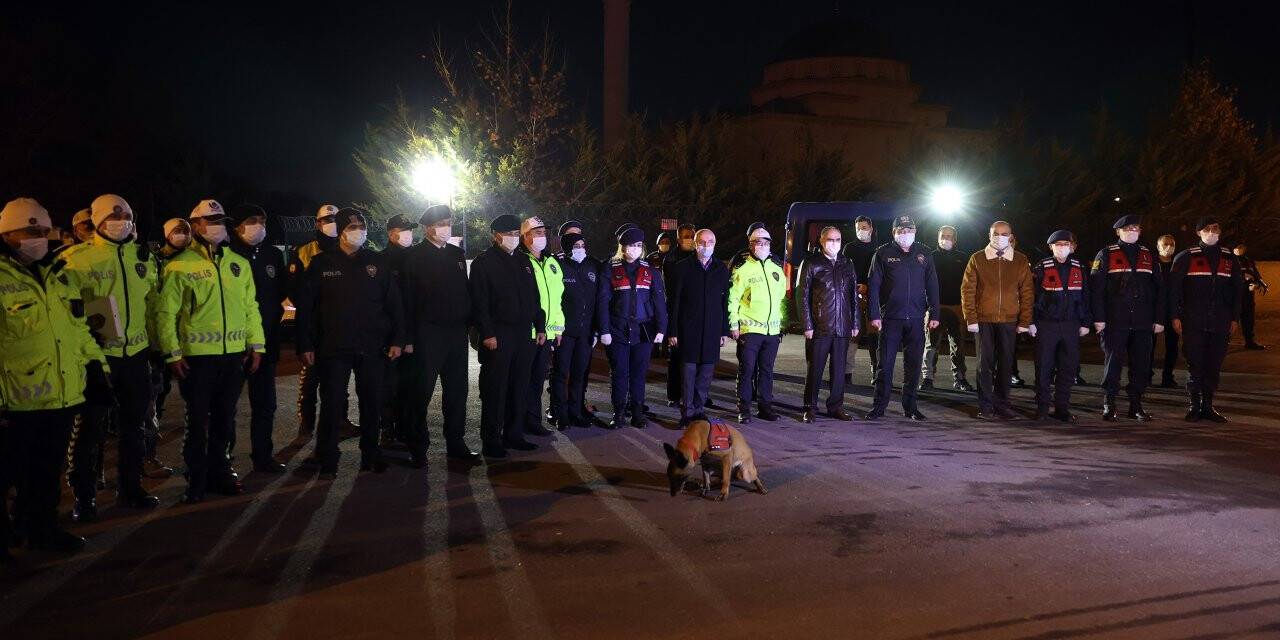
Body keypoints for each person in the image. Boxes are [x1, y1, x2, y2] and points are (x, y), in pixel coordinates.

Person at [0, 197, 110, 555]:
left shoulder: (61, 274)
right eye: (29, 230)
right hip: (15, 400)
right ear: (6, 234)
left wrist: (97, 368)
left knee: (47, 474)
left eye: (43, 231)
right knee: (8, 475)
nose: (38, 237)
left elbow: (82, 328)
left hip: (61, 394)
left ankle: (42, 531)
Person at [155, 199, 265, 503]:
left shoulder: (238, 264)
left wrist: (256, 344)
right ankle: (197, 480)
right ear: (196, 226)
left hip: (233, 356)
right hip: (197, 358)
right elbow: (165, 314)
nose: (217, 225)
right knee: (197, 421)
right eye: (211, 220)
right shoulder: (179, 265)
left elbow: (250, 307)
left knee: (224, 419)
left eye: (221, 220)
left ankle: (221, 472)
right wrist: (172, 353)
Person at [62, 194, 162, 521]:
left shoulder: (145, 258)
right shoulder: (77, 259)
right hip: (98, 358)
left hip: (135, 356)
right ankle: (84, 497)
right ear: (98, 221)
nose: (121, 220)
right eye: (113, 215)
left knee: (134, 428)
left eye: (127, 214)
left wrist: (157, 350)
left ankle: (130, 488)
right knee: (90, 430)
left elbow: (153, 308)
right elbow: (69, 314)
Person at [295, 208, 404, 476]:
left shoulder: (376, 263)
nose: (359, 230)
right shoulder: (322, 264)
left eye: (362, 225)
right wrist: (305, 344)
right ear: (341, 231)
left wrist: (397, 339)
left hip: (372, 346)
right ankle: (328, 458)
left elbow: (394, 305)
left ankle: (371, 455)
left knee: (371, 404)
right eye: (352, 226)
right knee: (332, 405)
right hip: (334, 347)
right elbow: (306, 309)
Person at [399, 205, 478, 466]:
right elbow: (407, 301)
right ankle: (417, 447)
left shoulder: (456, 255)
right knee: (420, 393)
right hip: (426, 334)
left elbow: (465, 293)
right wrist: (407, 338)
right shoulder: (414, 258)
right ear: (428, 227)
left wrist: (469, 323)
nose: (446, 227)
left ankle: (456, 443)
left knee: (457, 392)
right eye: (441, 223)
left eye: (449, 222)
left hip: (456, 334)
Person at [471, 214, 544, 457]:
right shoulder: (484, 262)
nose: (513, 238)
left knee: (519, 385)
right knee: (496, 388)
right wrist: (487, 333)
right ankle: (491, 439)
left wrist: (540, 325)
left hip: (523, 333)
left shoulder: (523, 262)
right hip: (498, 334)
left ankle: (514, 435)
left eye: (516, 233)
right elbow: (479, 302)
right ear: (496, 235)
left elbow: (534, 298)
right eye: (509, 234)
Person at [229, 204, 287, 472]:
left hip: (266, 342)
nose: (259, 226)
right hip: (233, 343)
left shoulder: (273, 255)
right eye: (252, 220)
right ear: (238, 225)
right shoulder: (226, 253)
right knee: (226, 406)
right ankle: (223, 459)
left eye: (262, 221)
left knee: (265, 405)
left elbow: (282, 293)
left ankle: (263, 456)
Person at [865, 215, 940, 420]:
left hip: (916, 318)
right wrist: (874, 314)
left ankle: (911, 407)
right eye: (901, 230)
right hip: (890, 318)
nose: (905, 234)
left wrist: (935, 312)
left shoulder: (924, 253)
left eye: (909, 230)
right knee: (885, 365)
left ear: (915, 231)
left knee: (914, 365)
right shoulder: (882, 253)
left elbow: (932, 284)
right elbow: (873, 286)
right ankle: (879, 407)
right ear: (894, 233)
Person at [1090, 214, 1164, 421]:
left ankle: (1136, 405)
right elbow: (1096, 290)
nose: (1132, 231)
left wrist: (1159, 319)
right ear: (1118, 231)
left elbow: (1159, 290)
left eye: (1136, 228)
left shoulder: (1149, 255)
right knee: (1113, 363)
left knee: (1141, 365)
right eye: (1128, 228)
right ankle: (1109, 403)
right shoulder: (1106, 254)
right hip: (1115, 319)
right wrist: (1099, 318)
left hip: (1142, 320)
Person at [1168, 218, 1242, 422]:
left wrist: (1235, 317)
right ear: (1198, 232)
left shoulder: (1229, 258)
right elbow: (1174, 291)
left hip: (1220, 320)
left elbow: (1238, 290)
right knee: (1195, 363)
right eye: (1207, 229)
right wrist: (1174, 316)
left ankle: (1208, 405)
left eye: (1215, 229)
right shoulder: (1185, 257)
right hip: (1193, 320)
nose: (1212, 233)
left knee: (1213, 364)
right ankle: (1194, 405)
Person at [961, 221, 1034, 420]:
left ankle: (1002, 404)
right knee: (984, 364)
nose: (1000, 236)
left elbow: (1027, 292)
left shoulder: (1020, 260)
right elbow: (967, 291)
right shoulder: (977, 258)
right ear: (989, 234)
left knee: (1006, 364)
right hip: (984, 320)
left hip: (1009, 320)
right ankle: (985, 406)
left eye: (1004, 234)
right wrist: (971, 318)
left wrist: (1025, 320)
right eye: (996, 233)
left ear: (1011, 236)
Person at [598, 226, 667, 428]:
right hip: (617, 330)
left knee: (639, 374)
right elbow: (602, 302)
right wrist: (604, 330)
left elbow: (659, 302)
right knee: (620, 373)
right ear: (622, 246)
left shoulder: (650, 271)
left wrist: (662, 329)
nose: (635, 249)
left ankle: (637, 412)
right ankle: (618, 413)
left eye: (638, 245)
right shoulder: (609, 268)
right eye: (631, 245)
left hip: (644, 331)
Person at [141, 218, 191, 480]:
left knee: (163, 391)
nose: (182, 235)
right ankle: (147, 455)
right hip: (156, 341)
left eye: (186, 231)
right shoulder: (155, 261)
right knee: (150, 398)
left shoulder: (196, 259)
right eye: (176, 231)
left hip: (184, 340)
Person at [286, 204, 342, 438]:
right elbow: (293, 288)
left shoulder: (347, 248)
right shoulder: (304, 251)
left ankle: (342, 420)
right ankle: (306, 422)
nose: (332, 223)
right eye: (327, 219)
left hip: (340, 323)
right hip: (313, 323)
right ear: (318, 223)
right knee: (310, 378)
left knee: (339, 379)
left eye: (335, 219)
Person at [796, 226, 859, 423]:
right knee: (815, 369)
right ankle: (810, 407)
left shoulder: (847, 263)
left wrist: (855, 322)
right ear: (821, 241)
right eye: (830, 239)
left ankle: (835, 406)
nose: (834, 243)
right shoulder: (811, 263)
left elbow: (853, 296)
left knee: (839, 371)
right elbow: (802, 295)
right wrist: (807, 324)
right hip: (820, 327)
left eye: (838, 239)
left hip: (842, 326)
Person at [667, 229, 730, 426]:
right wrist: (673, 331)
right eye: (701, 242)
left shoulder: (721, 268)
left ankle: (699, 410)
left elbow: (724, 302)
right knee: (688, 374)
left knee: (705, 375)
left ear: (715, 243)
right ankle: (687, 413)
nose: (706, 245)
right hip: (688, 330)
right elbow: (674, 301)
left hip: (712, 330)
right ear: (695, 244)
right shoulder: (682, 268)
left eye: (710, 242)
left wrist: (724, 330)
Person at [1029, 230, 1091, 422]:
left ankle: (1062, 408)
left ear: (1072, 246)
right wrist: (1030, 321)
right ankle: (1042, 408)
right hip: (1046, 325)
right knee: (1043, 368)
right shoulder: (1041, 267)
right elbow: (1031, 296)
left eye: (1066, 244)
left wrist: (1086, 321)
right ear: (1051, 247)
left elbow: (1086, 296)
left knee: (1068, 368)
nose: (1063, 247)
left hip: (1071, 324)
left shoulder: (1080, 266)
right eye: (1059, 244)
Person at [728, 222, 785, 424]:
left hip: (772, 331)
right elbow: (732, 298)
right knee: (747, 370)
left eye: (764, 242)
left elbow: (780, 298)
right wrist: (734, 325)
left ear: (770, 244)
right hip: (749, 329)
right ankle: (744, 409)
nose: (760, 246)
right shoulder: (742, 268)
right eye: (756, 242)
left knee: (767, 371)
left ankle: (765, 407)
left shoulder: (776, 267)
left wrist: (781, 325)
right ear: (750, 244)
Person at [517, 216, 564, 438]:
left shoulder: (552, 262)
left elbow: (557, 300)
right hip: (527, 333)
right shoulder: (519, 262)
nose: (542, 237)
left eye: (544, 232)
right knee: (521, 380)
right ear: (525, 236)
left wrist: (557, 329)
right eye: (537, 233)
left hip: (547, 335)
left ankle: (533, 421)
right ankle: (517, 423)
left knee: (537, 380)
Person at [551, 231, 601, 429]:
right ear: (567, 248)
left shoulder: (592, 266)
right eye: (576, 246)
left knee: (579, 374)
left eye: (582, 245)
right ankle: (560, 415)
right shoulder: (559, 266)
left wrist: (596, 329)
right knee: (561, 374)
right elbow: (554, 300)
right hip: (564, 332)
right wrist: (555, 329)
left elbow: (598, 300)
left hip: (586, 332)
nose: (580, 249)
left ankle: (576, 412)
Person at [377, 213, 417, 447]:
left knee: (411, 385)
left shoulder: (416, 258)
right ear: (391, 233)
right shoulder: (382, 261)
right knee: (389, 385)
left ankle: (406, 428)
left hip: (415, 333)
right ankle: (387, 428)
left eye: (410, 229)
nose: (408, 234)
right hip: (390, 334)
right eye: (403, 229)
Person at [924, 224, 972, 391]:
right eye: (943, 235)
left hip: (957, 308)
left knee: (958, 345)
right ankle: (927, 379)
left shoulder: (963, 257)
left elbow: (969, 284)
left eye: (950, 236)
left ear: (955, 239)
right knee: (931, 345)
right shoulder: (930, 256)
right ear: (938, 237)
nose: (946, 239)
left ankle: (960, 378)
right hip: (935, 308)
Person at [660, 223, 696, 409]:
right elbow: (672, 290)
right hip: (677, 311)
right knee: (676, 357)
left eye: (692, 235)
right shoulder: (671, 259)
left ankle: (695, 395)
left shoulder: (698, 255)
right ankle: (674, 395)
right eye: (686, 236)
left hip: (695, 313)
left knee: (695, 358)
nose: (690, 239)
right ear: (679, 238)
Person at [844, 215, 879, 382]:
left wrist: (868, 287)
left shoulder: (879, 249)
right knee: (853, 334)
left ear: (871, 229)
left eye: (864, 227)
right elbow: (844, 272)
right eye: (858, 228)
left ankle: (877, 372)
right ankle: (846, 372)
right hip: (853, 296)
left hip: (874, 297)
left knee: (875, 335)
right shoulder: (849, 248)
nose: (861, 231)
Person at [1153, 234, 1180, 387]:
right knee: (1149, 346)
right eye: (1165, 244)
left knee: (1172, 346)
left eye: (1171, 244)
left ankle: (1168, 376)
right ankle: (1146, 376)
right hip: (1154, 310)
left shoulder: (1177, 265)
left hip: (1172, 311)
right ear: (1158, 246)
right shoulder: (1151, 264)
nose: (1168, 247)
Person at [1234, 243, 1268, 350]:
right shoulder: (1228, 260)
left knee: (1248, 319)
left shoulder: (1248, 261)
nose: (1240, 249)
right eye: (1238, 247)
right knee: (1230, 319)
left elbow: (1256, 275)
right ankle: (1223, 342)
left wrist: (1259, 284)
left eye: (1242, 247)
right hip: (1233, 295)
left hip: (1248, 294)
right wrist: (1243, 278)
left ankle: (1250, 341)